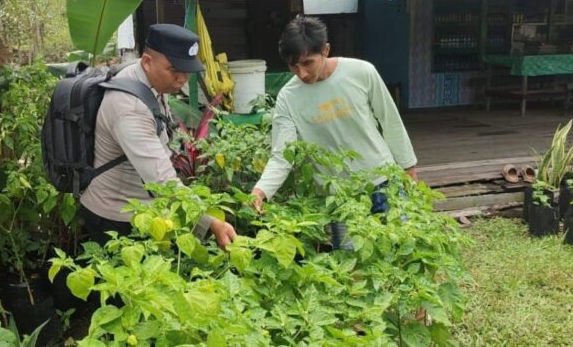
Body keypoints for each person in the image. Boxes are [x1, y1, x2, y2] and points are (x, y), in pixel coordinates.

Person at [250, 16, 418, 247]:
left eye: (308, 63)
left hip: (383, 182)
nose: (302, 73)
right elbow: (282, 155)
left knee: (402, 250)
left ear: (325, 50)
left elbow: (390, 121)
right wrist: (261, 191)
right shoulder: (288, 98)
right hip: (339, 196)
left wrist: (409, 168)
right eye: (293, 66)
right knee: (350, 262)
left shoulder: (361, 72)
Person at [79, 23, 237, 249]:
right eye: (174, 70)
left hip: (142, 208)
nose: (182, 78)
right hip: (115, 217)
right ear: (147, 61)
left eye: (187, 70)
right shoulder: (129, 108)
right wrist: (210, 223)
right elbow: (161, 181)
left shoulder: (148, 78)